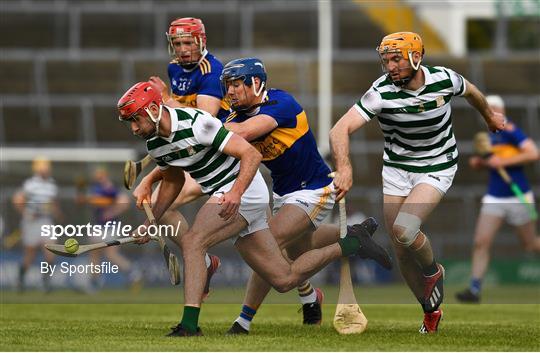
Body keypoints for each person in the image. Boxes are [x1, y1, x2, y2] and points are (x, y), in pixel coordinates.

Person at [117, 81, 391, 336]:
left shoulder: (198, 124)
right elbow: (173, 181)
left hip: (244, 190)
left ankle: (190, 324)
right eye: (129, 123)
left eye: (135, 120)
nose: (133, 128)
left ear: (154, 110)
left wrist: (236, 193)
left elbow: (252, 154)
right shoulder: (155, 142)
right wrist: (152, 221)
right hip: (228, 192)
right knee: (283, 279)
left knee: (193, 241)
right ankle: (350, 244)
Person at [329, 32, 506, 333]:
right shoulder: (380, 92)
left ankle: (433, 270)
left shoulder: (444, 79)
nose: (390, 66)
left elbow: (472, 91)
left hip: (437, 165)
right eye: (385, 60)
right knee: (400, 247)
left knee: (404, 229)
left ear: (416, 57)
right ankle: (429, 312)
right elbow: (339, 129)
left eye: (396, 59)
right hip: (397, 169)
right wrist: (344, 167)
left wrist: (489, 117)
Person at [219, 57, 392, 335]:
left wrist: (202, 130)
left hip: (313, 188)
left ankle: (243, 321)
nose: (230, 92)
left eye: (236, 85)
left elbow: (245, 132)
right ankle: (351, 239)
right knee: (301, 247)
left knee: (269, 245)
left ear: (256, 83)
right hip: (282, 192)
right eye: (227, 85)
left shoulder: (281, 104)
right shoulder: (234, 117)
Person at [137, 17, 229, 295]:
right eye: (177, 43)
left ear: (201, 41)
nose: (182, 48)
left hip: (220, 158)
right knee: (155, 205)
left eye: (188, 42)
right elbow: (177, 126)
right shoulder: (174, 68)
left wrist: (164, 100)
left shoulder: (212, 71)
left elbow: (203, 120)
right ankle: (201, 261)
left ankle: (308, 293)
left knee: (265, 247)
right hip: (195, 157)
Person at [456, 95, 540, 303]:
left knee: (530, 245)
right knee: (481, 242)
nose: (486, 112)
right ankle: (474, 289)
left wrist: (503, 161)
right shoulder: (489, 136)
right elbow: (489, 161)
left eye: (491, 108)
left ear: (499, 111)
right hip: (494, 196)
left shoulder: (510, 130)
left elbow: (533, 153)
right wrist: (480, 163)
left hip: (518, 195)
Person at [81, 167, 142, 290]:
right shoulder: (96, 189)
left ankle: (132, 272)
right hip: (99, 226)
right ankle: (95, 281)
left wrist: (113, 212)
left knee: (110, 254)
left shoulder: (111, 189)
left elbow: (124, 202)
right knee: (94, 254)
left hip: (110, 227)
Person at [12, 157, 61, 292]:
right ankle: (20, 279)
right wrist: (26, 214)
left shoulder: (52, 184)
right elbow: (17, 199)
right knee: (30, 255)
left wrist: (57, 214)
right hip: (32, 222)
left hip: (45, 220)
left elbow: (52, 202)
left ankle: (46, 281)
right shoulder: (30, 184)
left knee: (52, 251)